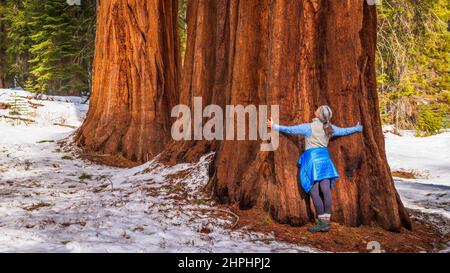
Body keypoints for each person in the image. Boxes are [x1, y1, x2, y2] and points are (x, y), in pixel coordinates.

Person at [268, 105, 363, 232]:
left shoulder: (309, 127)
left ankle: (321, 223)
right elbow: (344, 131)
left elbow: (290, 130)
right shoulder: (329, 128)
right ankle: (325, 222)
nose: (317, 109)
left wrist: (274, 126)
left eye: (318, 110)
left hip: (312, 160)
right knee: (325, 190)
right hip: (324, 160)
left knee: (314, 191)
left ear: (318, 115)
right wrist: (357, 128)